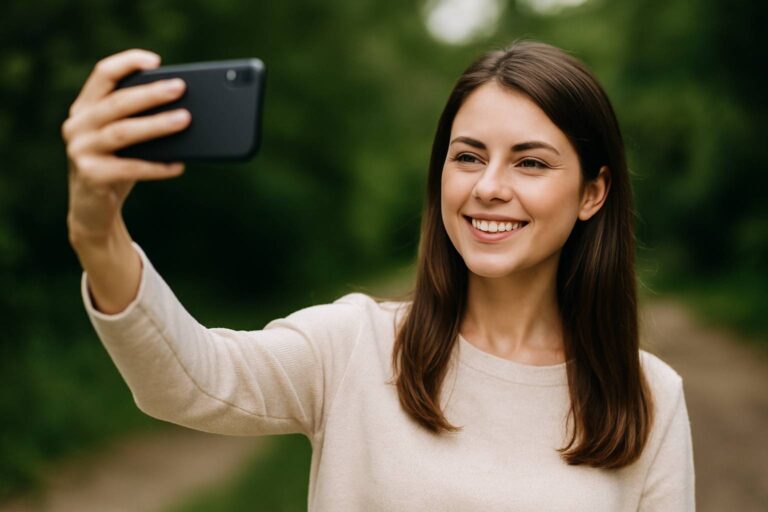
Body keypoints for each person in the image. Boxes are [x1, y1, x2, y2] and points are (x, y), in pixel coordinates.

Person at [63, 41, 695, 511]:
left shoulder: (651, 397)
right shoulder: (354, 344)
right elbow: (187, 379)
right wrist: (97, 233)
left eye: (530, 162)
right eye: (467, 156)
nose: (489, 187)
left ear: (593, 192)